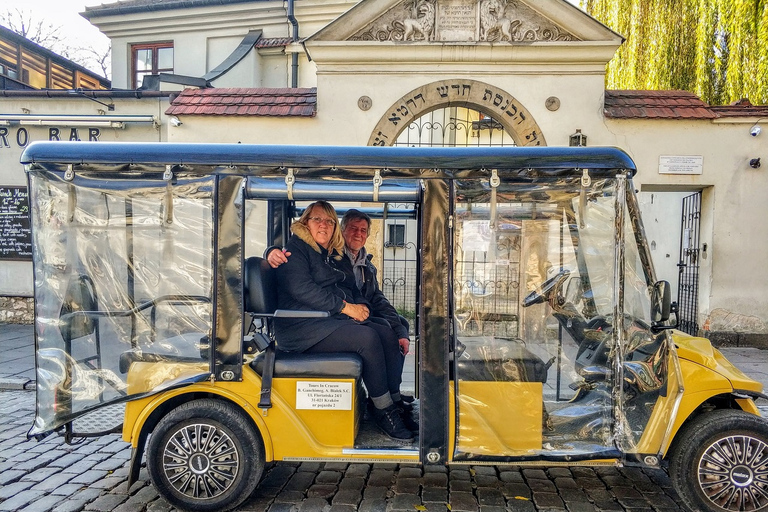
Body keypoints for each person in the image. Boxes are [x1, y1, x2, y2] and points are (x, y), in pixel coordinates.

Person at [271, 201, 414, 440]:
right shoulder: (295, 250)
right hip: (300, 328)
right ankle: (383, 410)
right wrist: (347, 308)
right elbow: (302, 290)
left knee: (384, 331)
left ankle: (392, 400)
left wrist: (361, 310)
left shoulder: (323, 253)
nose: (324, 225)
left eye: (329, 221)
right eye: (317, 219)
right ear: (306, 222)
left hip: (321, 321)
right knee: (366, 338)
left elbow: (344, 287)